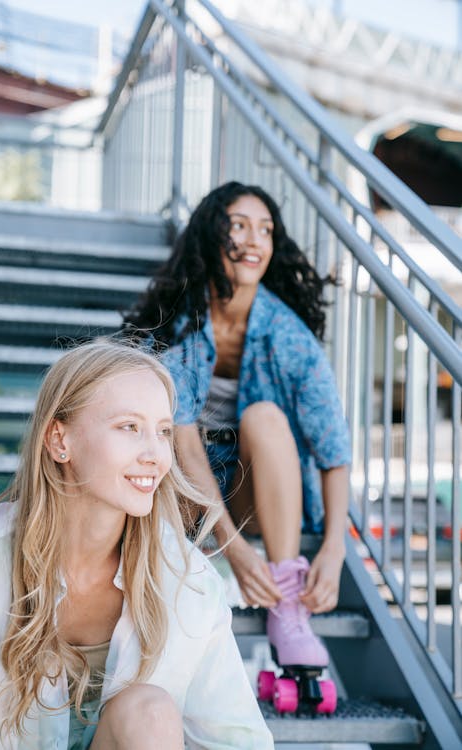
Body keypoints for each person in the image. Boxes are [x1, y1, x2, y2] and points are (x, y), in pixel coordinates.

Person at [0, 339, 274, 750]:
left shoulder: (186, 578)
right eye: (130, 427)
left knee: (149, 712)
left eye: (163, 431)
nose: (155, 455)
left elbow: (239, 740)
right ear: (60, 441)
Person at [123, 181, 351, 675]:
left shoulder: (287, 334)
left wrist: (334, 548)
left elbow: (333, 451)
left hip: (256, 492)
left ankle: (287, 605)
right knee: (165, 440)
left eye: (266, 229)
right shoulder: (180, 322)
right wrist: (232, 548)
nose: (255, 240)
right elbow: (182, 440)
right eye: (239, 225)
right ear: (211, 233)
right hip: (183, 487)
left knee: (264, 417)